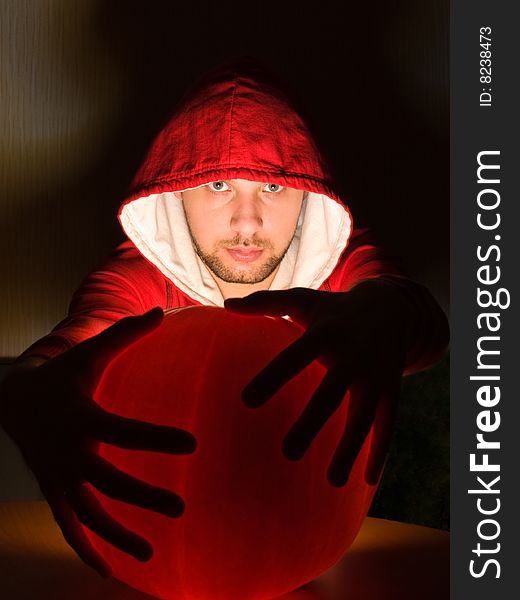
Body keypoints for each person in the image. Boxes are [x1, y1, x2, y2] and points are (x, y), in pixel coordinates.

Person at [0, 61, 449, 578]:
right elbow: (72, 343)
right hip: (161, 554)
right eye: (217, 186)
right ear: (176, 195)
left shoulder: (343, 266)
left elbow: (410, 314)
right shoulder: (136, 280)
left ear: (307, 199)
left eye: (273, 188)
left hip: (307, 551)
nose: (247, 220)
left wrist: (392, 311)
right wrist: (23, 389)